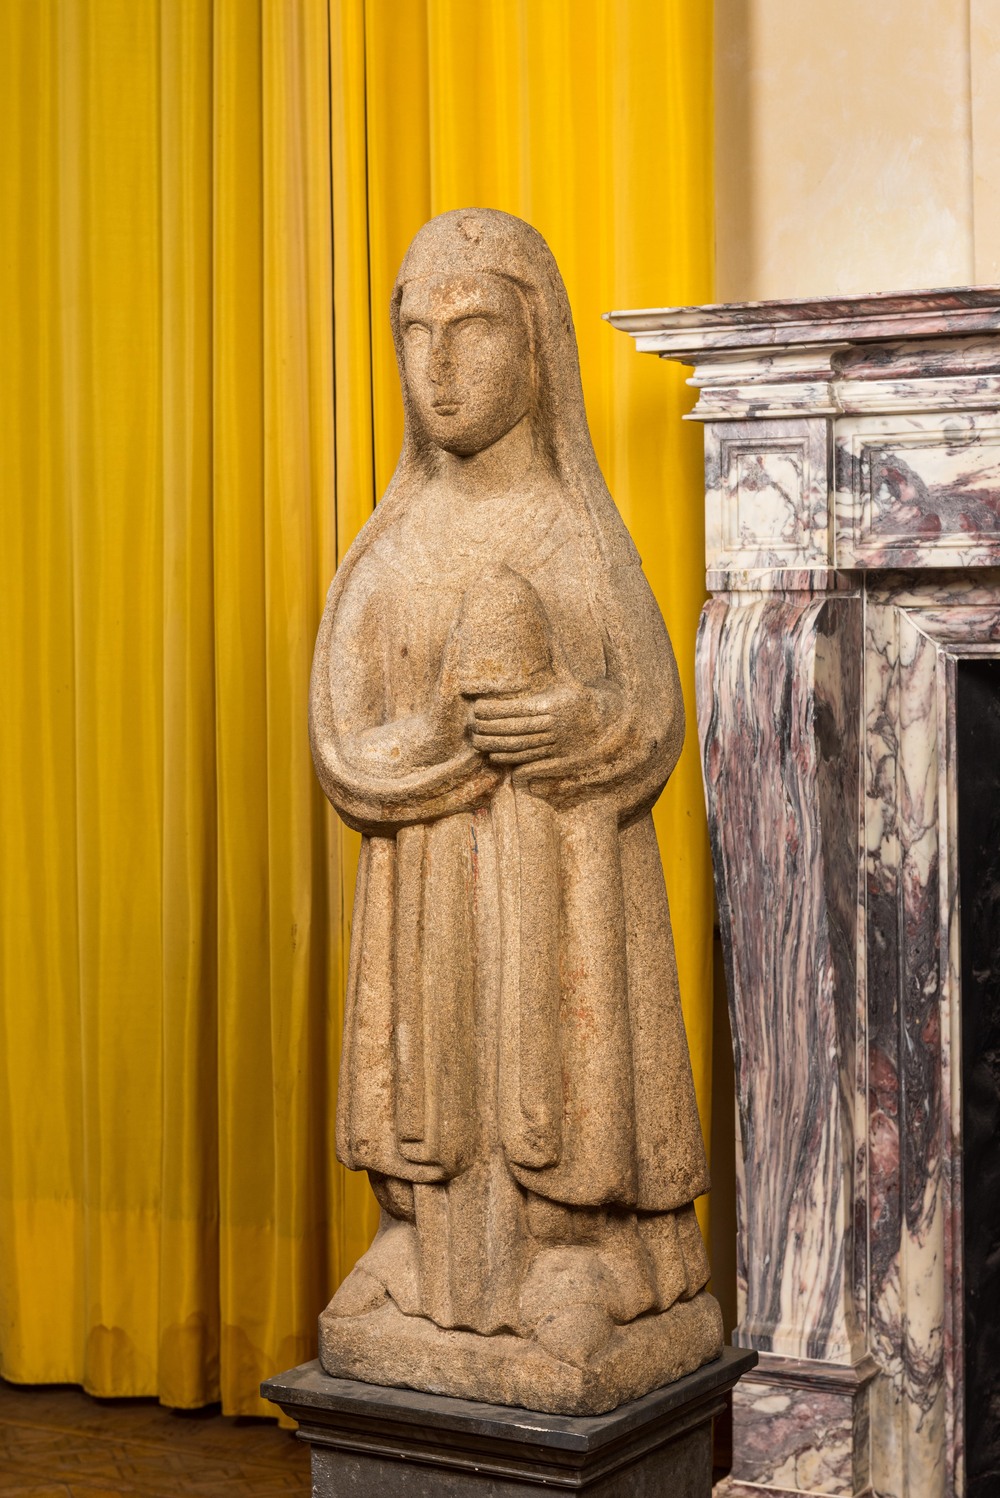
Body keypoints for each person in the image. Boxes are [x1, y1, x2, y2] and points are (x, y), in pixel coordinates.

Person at [308, 209, 721, 1411]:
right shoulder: (387, 548)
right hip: (430, 891)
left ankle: (593, 1252)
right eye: (416, 335)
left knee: (569, 1065)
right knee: (425, 1077)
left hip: (563, 888)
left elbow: (647, 715)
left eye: (473, 330)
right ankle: (422, 1250)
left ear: (535, 345)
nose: (438, 367)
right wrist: (447, 740)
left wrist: (571, 725)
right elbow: (342, 746)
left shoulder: (578, 532)